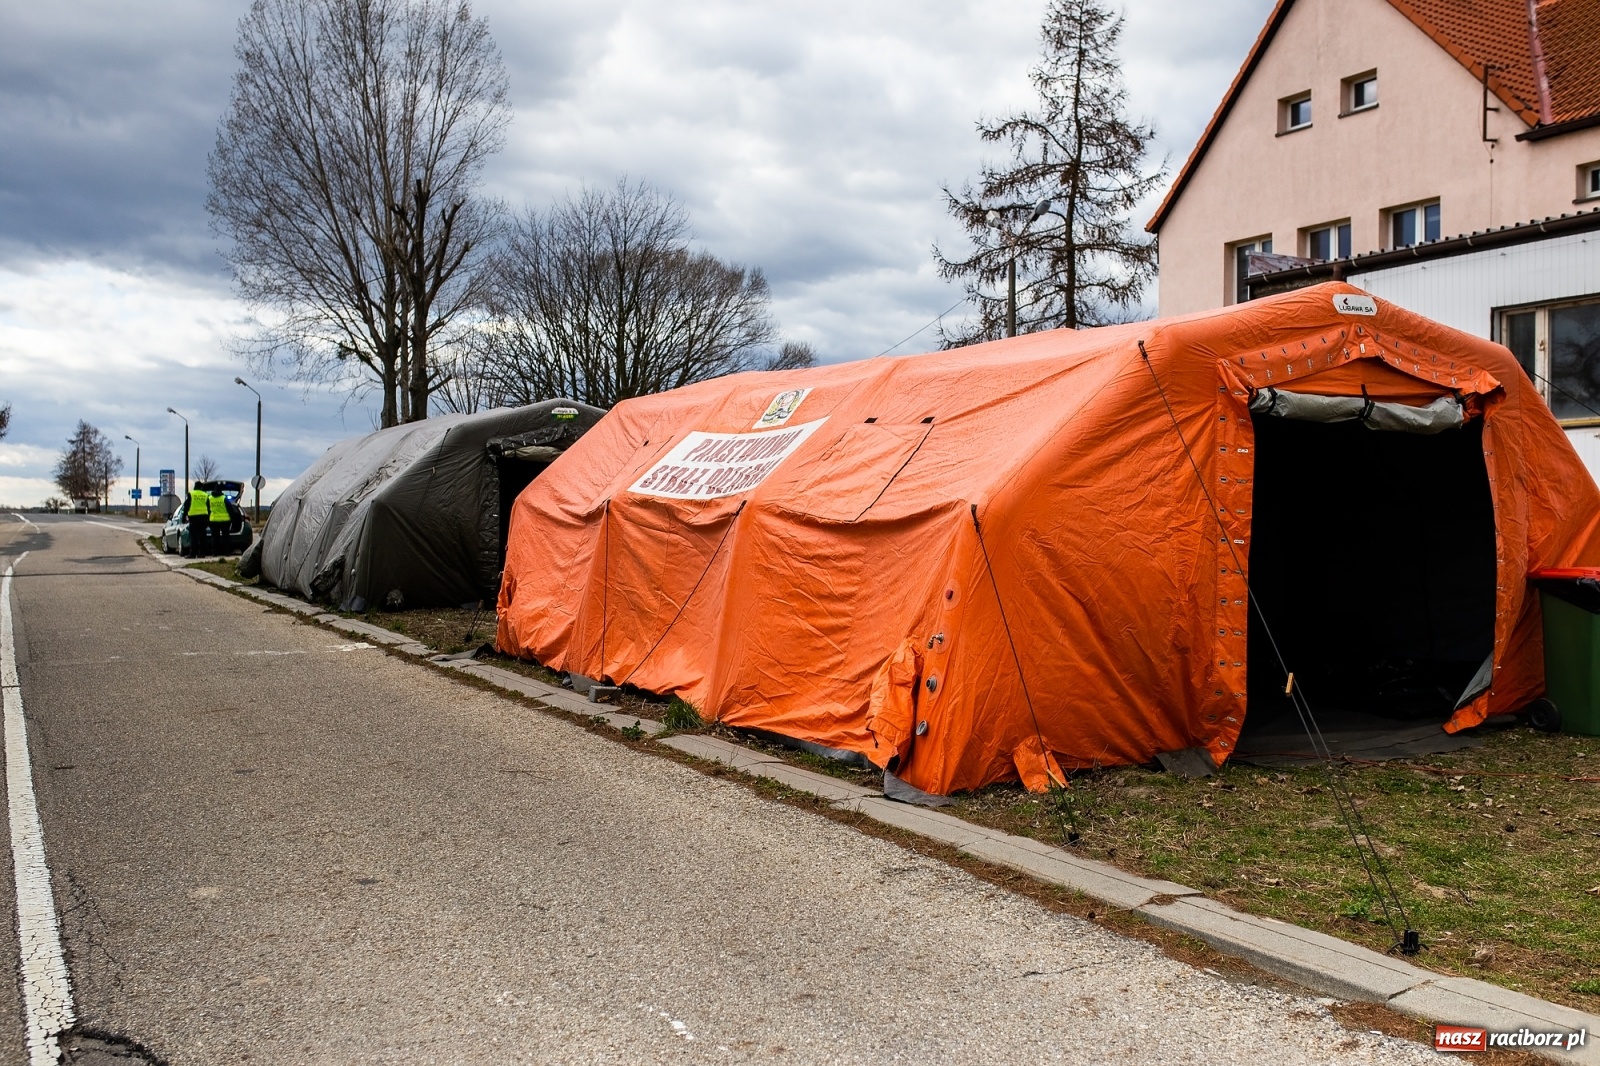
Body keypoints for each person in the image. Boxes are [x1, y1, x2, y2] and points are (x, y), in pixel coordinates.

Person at [185, 487, 210, 557]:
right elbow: (209, 507)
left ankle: (193, 553)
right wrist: (208, 518)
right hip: (203, 518)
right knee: (202, 537)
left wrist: (185, 515)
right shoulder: (205, 495)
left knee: (194, 537)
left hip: (193, 518)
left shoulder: (191, 494)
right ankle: (202, 553)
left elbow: (186, 505)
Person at [207, 488, 232, 554]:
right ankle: (227, 552)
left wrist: (208, 520)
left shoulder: (209, 498)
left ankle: (215, 552)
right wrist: (232, 519)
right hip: (225, 520)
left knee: (215, 537)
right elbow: (230, 509)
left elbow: (207, 509)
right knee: (226, 537)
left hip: (213, 520)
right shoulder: (224, 498)